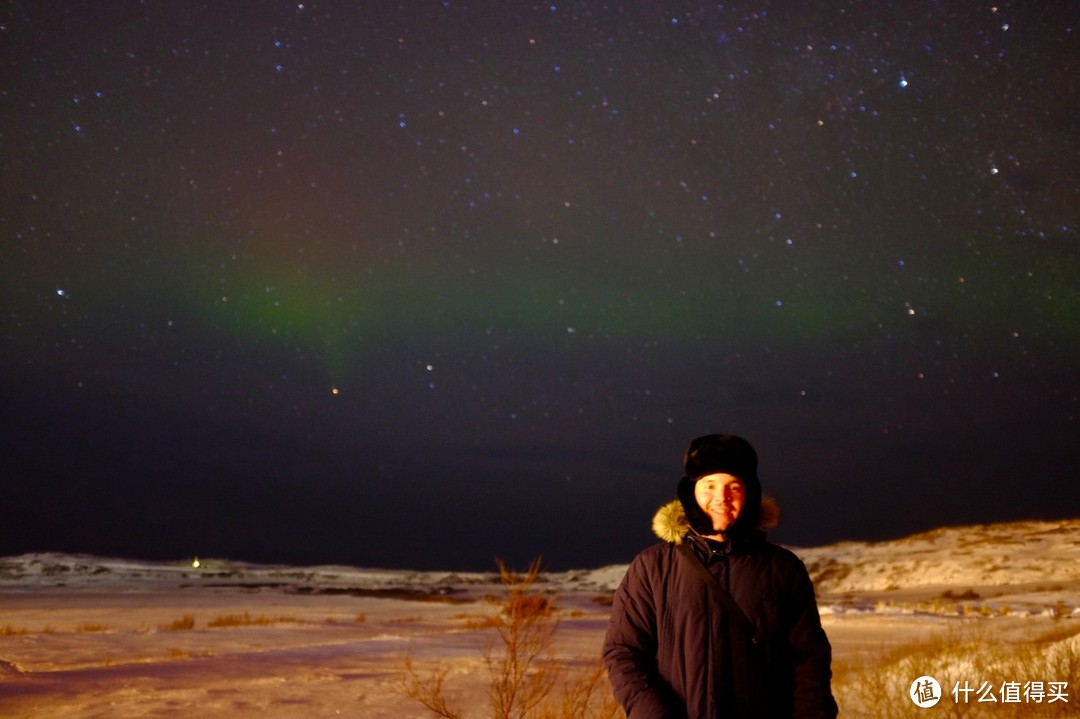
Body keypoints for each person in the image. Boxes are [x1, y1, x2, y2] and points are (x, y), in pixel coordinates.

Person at [603, 433, 838, 718]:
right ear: (691, 491)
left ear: (749, 493)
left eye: (733, 487)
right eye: (709, 485)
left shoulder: (783, 568)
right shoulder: (653, 566)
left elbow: (808, 660)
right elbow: (624, 652)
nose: (721, 498)